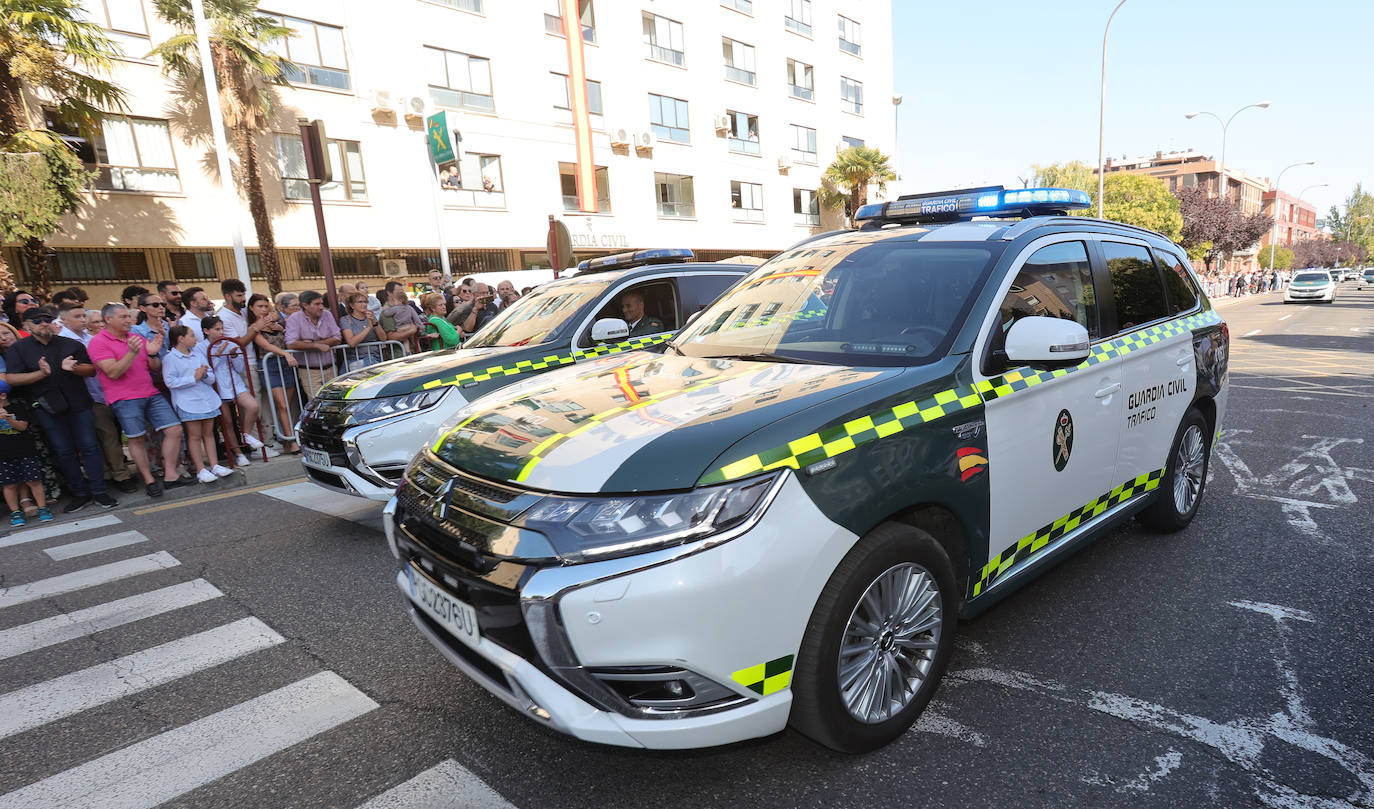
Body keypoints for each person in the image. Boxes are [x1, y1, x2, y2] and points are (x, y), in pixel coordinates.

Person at [5, 306, 118, 511]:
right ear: (26, 325)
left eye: (47, 319)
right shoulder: (19, 349)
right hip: (46, 407)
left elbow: (92, 370)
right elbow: (11, 378)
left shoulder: (70, 344)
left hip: (79, 403)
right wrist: (40, 374)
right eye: (37, 321)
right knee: (63, 451)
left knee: (90, 447)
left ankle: (99, 491)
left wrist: (74, 368)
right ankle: (80, 493)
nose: (43, 323)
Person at [88, 303, 191, 497]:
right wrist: (132, 353)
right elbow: (113, 372)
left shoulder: (135, 337)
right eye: (123, 317)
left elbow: (155, 368)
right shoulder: (98, 342)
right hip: (124, 398)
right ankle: (149, 480)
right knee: (136, 439)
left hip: (150, 392)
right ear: (108, 319)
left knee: (174, 429)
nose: (129, 320)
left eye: (129, 316)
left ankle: (170, 475)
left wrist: (152, 352)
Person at [59, 303, 137, 493]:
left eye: (83, 316)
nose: (83, 319)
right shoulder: (63, 340)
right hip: (88, 396)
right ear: (63, 320)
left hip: (104, 392)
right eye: (77, 316)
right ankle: (119, 475)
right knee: (105, 436)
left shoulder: (89, 337)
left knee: (110, 436)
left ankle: (112, 473)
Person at [161, 324, 232, 484]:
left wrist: (204, 375)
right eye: (192, 335)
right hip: (188, 402)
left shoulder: (197, 354)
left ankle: (214, 465)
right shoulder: (170, 358)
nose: (195, 339)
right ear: (180, 339)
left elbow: (211, 377)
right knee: (194, 436)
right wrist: (194, 377)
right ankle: (201, 469)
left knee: (209, 434)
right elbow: (170, 381)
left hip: (206, 398)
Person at [202, 315, 272, 464]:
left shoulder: (228, 343)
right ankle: (238, 454)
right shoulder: (201, 347)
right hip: (217, 387)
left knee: (253, 406)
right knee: (226, 422)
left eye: (222, 329)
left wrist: (234, 356)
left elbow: (240, 368)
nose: (221, 332)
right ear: (206, 331)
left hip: (235, 383)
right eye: (217, 329)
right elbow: (206, 370)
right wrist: (218, 355)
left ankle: (245, 434)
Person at [248, 294, 300, 454]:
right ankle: (290, 441)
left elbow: (289, 339)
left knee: (286, 406)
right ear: (252, 308)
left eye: (266, 306)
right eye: (260, 306)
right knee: (282, 404)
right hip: (269, 365)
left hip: (285, 365)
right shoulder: (253, 328)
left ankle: (285, 437)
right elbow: (265, 345)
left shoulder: (278, 324)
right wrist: (286, 354)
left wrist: (282, 329)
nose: (264, 310)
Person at [0, 381, 53, 524]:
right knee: (9, 484)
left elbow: (23, 426)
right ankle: (15, 512)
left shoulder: (16, 408)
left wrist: (9, 419)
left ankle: (42, 507)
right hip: (3, 455)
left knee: (33, 480)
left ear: (3, 395)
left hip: (25, 451)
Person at [285, 290, 341, 399]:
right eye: (317, 304)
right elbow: (291, 344)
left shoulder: (327, 314)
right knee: (317, 402)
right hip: (309, 371)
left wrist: (312, 343)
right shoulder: (295, 318)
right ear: (305, 305)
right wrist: (316, 346)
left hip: (331, 368)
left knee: (335, 400)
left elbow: (337, 338)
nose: (321, 307)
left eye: (321, 304)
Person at [339, 292, 387, 370]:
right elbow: (352, 342)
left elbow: (383, 338)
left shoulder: (371, 316)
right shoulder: (346, 320)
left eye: (365, 302)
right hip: (356, 360)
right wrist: (368, 327)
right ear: (352, 305)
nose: (364, 304)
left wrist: (375, 322)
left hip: (375, 358)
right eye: (360, 302)